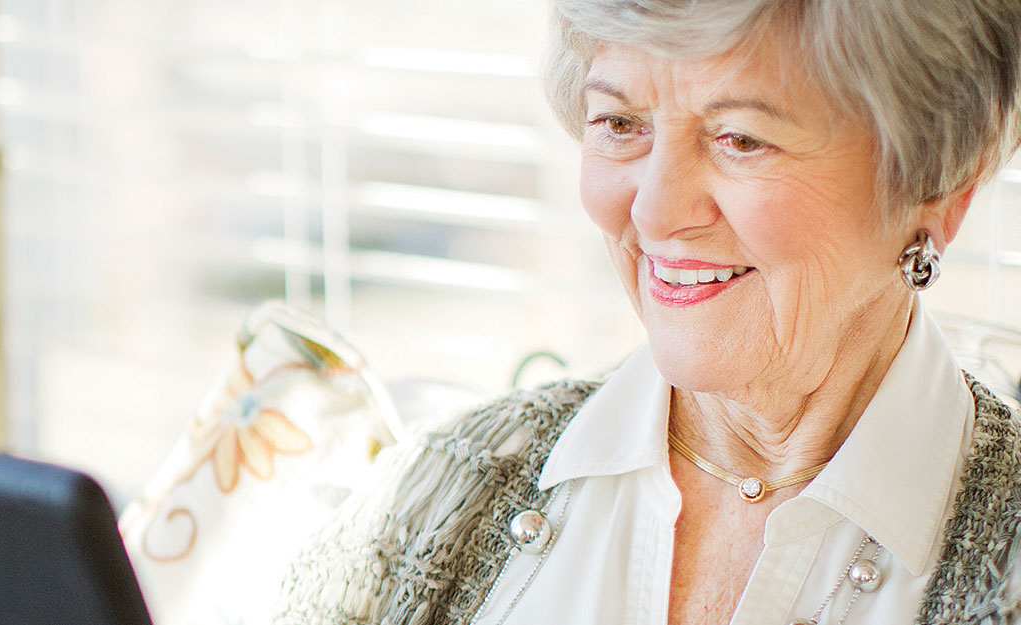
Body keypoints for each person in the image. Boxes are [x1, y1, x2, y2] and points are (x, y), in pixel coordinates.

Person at [275, 0, 1021, 623]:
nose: (657, 211)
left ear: (935, 186)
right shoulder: (443, 489)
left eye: (741, 138)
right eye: (621, 124)